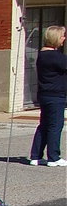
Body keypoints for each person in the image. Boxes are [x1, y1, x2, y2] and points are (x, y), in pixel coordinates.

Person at [29, 25, 66, 167]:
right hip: (56, 96)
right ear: (56, 38)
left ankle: (35, 156)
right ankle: (54, 157)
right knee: (55, 126)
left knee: (44, 125)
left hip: (44, 95)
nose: (64, 38)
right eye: (62, 36)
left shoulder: (42, 55)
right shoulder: (56, 57)